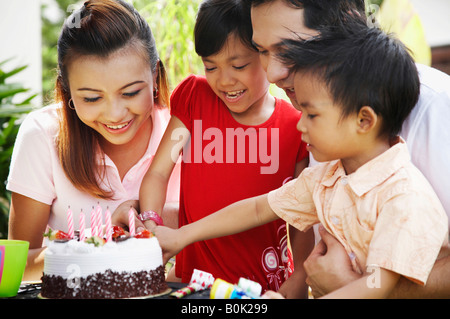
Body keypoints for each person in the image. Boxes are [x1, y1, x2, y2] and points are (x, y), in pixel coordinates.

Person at [154, 21, 449, 299]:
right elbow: (259, 208)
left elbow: (376, 285)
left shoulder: (402, 198)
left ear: (363, 120)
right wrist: (182, 237)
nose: (300, 125)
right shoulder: (328, 176)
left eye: (312, 114)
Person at [245, 0, 450, 298]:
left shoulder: (439, 110)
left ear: (346, 25)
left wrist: (354, 286)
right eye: (262, 51)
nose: (272, 73)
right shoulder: (315, 118)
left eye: (289, 50)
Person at [137, 0, 311, 296]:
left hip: (260, 290)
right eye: (211, 67)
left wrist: (294, 286)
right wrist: (150, 223)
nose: (225, 80)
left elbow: (300, 221)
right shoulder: (195, 100)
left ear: (266, 56)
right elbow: (158, 174)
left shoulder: (296, 127)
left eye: (239, 65)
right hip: (192, 286)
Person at [6, 0, 180, 281]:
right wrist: (99, 240)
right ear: (67, 90)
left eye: (131, 92)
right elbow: (17, 270)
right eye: (91, 98)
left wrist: (173, 217)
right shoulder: (42, 135)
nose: (114, 114)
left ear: (155, 75)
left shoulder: (185, 135)